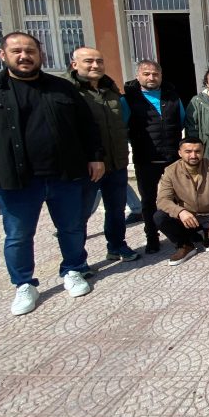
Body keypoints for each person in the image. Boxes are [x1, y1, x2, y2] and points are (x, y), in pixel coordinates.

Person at [0, 32, 103, 315]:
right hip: (16, 180)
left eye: (30, 51)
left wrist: (95, 157)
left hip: (65, 175)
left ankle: (73, 269)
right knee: (19, 235)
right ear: (3, 55)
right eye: (17, 51)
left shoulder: (61, 88)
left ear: (40, 55)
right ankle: (24, 284)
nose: (24, 56)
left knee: (72, 227)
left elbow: (87, 127)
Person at [68, 46, 138, 263]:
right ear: (74, 64)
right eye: (88, 61)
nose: (95, 65)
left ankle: (117, 246)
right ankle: (77, 261)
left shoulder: (111, 90)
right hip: (87, 166)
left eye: (99, 61)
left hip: (116, 162)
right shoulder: (69, 92)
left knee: (116, 209)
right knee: (80, 214)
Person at [123, 60, 184, 254]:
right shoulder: (128, 100)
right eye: (146, 74)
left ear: (161, 76)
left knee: (178, 197)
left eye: (155, 74)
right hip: (146, 159)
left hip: (172, 158)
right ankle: (152, 237)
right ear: (138, 76)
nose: (151, 77)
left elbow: (181, 121)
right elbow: (122, 127)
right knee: (149, 201)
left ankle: (180, 233)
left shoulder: (172, 97)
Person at [154, 137, 209, 265]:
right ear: (180, 153)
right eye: (188, 151)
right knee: (159, 217)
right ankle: (185, 245)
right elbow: (162, 200)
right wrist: (180, 212)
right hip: (188, 217)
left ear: (203, 152)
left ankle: (204, 235)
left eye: (197, 151)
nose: (193, 155)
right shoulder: (170, 171)